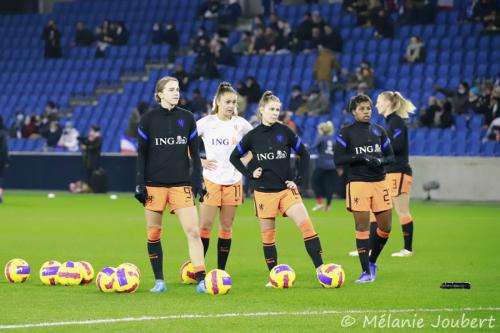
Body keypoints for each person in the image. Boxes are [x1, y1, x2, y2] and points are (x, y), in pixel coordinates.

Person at [230, 91, 325, 286]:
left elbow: (304, 154)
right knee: (268, 236)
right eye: (272, 109)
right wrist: (249, 173)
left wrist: (298, 180)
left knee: (306, 226)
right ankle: (274, 275)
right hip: (264, 192)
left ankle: (321, 270)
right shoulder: (252, 136)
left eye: (278, 110)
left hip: (285, 190)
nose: (275, 113)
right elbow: (234, 157)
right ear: (261, 110)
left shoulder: (285, 131)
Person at [135, 76, 207, 293]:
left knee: (193, 232)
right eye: (171, 89)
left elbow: (195, 154)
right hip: (154, 185)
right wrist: (139, 184)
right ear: (160, 94)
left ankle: (202, 279)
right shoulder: (148, 119)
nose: (176, 93)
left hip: (180, 185)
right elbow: (141, 155)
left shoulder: (187, 118)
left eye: (177, 89)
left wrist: (199, 181)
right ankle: (159, 281)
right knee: (154, 234)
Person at [334, 94, 394, 283]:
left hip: (380, 183)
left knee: (386, 228)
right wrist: (360, 158)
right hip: (358, 183)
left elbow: (391, 157)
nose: (366, 112)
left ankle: (372, 261)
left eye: (368, 108)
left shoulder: (379, 131)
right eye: (362, 109)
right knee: (362, 226)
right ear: (353, 112)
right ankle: (366, 272)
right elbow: (338, 159)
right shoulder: (346, 132)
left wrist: (380, 160)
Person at [196, 82, 253, 270]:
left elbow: (258, 142)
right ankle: (199, 269)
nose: (231, 106)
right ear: (218, 101)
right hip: (211, 180)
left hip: (234, 181)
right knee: (205, 226)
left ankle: (220, 271)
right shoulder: (205, 123)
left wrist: (245, 160)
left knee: (226, 226)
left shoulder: (241, 124)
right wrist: (199, 161)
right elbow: (184, 144)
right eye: (227, 101)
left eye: (234, 102)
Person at [376, 91, 416, 257]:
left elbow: (397, 146)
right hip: (390, 171)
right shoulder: (390, 123)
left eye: (379, 101)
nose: (377, 104)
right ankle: (371, 246)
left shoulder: (397, 122)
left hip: (398, 171)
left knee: (402, 210)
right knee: (377, 209)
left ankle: (408, 249)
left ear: (388, 103)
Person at [311, 121, 336, 212]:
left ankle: (319, 203)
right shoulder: (333, 139)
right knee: (330, 185)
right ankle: (328, 206)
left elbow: (313, 146)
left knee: (314, 182)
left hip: (322, 164)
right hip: (332, 165)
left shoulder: (321, 137)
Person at [0, 116, 8, 204]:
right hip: (1, 160)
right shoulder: (2, 134)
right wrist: (6, 160)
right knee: (1, 178)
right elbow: (4, 149)